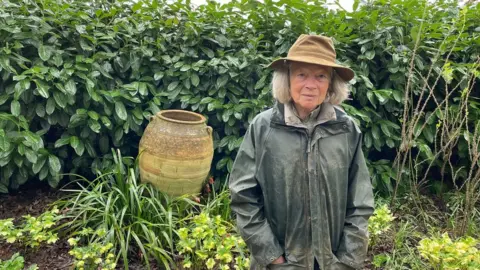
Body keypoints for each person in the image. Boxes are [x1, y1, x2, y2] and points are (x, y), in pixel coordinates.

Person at [228, 34, 374, 270]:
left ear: (330, 83)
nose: (310, 84)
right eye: (302, 74)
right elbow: (243, 197)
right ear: (287, 79)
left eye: (320, 76)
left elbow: (360, 201)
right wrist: (273, 258)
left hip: (332, 262)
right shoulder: (263, 127)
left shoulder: (346, 129)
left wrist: (347, 261)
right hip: (279, 262)